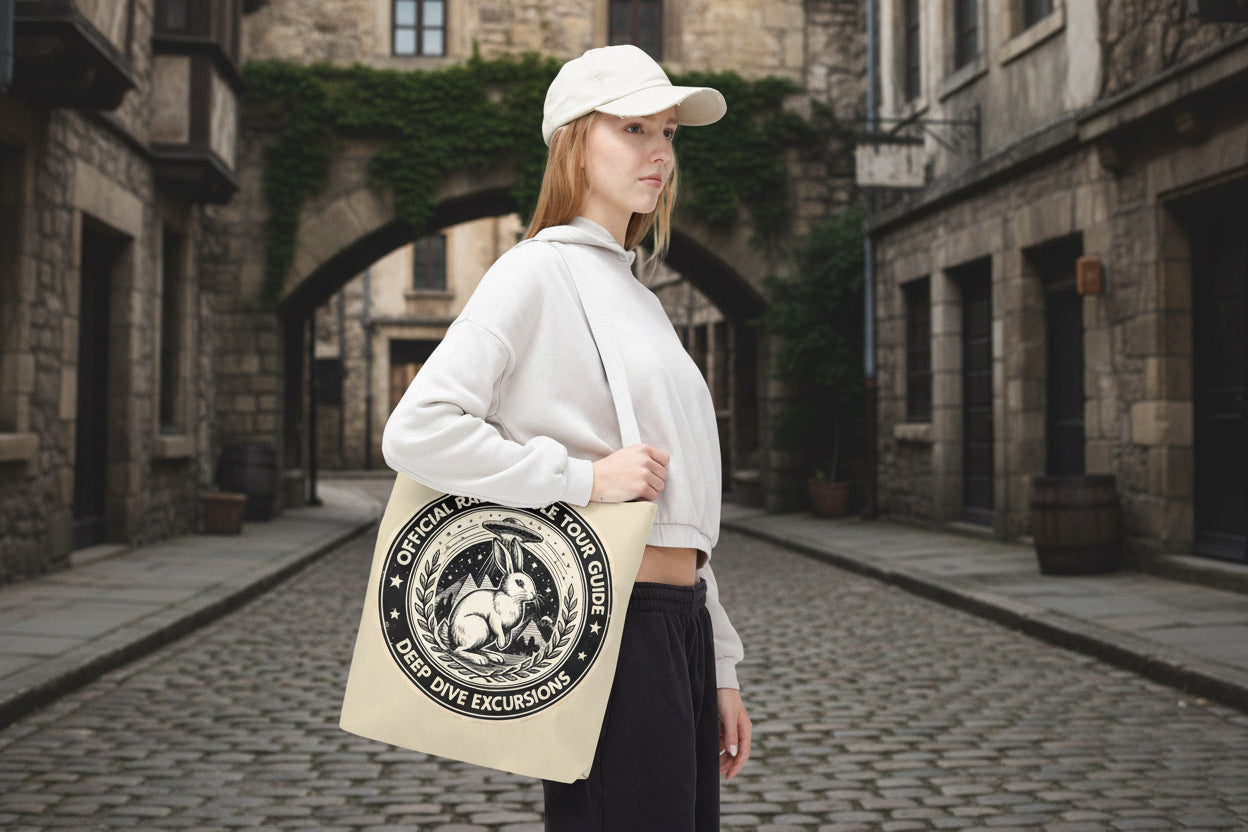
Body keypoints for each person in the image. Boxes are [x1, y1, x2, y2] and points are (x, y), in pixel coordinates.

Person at [382, 43, 751, 831]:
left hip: (674, 624)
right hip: (607, 620)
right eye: (634, 128)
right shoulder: (533, 273)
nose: (659, 152)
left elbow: (679, 504)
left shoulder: (639, 294)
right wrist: (583, 478)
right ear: (576, 143)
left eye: (668, 134)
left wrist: (718, 663)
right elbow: (416, 431)